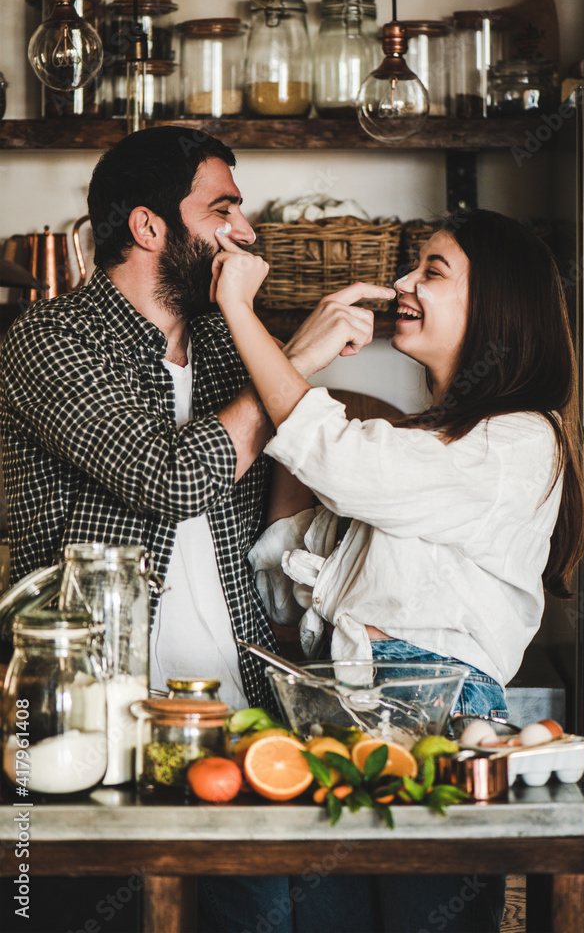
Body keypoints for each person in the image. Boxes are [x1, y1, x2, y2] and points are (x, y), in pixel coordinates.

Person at [0, 124, 393, 933]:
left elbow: (289, 480)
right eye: (224, 210)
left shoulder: (224, 341)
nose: (246, 232)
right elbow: (172, 478)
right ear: (149, 227)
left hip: (237, 714)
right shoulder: (50, 341)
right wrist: (298, 356)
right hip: (93, 724)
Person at [211, 207, 584, 933]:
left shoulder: (519, 439)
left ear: (498, 304)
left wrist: (242, 313)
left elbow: (340, 461)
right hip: (347, 709)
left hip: (436, 719)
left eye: (433, 271)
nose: (402, 282)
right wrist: (306, 429)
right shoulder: (424, 444)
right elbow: (290, 571)